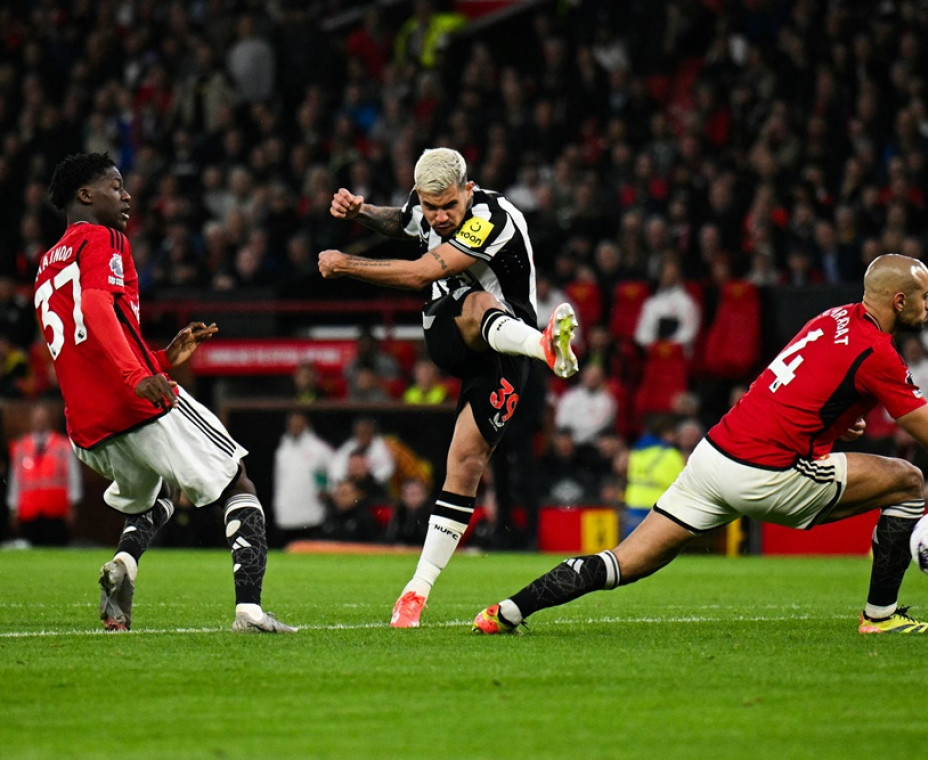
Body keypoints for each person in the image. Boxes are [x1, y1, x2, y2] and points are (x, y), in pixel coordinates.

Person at [473, 254, 928, 636]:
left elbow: (793, 388)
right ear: (899, 300)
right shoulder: (877, 351)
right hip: (766, 473)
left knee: (624, 562)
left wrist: (835, 426)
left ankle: (508, 612)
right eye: (925, 296)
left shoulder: (832, 318)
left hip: (714, 457)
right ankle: (881, 617)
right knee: (908, 481)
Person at [318, 146, 579, 627]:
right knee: (476, 302)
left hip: (505, 350)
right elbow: (404, 221)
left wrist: (346, 263)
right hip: (450, 330)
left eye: (449, 206)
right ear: (420, 194)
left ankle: (414, 594)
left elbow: (421, 271)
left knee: (466, 464)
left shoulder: (491, 219)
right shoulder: (427, 208)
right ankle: (546, 347)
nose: (439, 217)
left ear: (469, 191)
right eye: (431, 206)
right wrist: (362, 212)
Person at [37, 152, 294, 633]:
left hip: (87, 427)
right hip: (135, 404)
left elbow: (85, 344)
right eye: (115, 186)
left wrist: (158, 359)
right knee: (237, 481)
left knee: (162, 492)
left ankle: (124, 565)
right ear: (85, 195)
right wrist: (138, 377)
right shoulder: (103, 237)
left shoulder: (46, 267)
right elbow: (96, 307)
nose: (127, 195)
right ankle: (250, 611)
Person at [6, 403, 82, 546]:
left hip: (56, 509)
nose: (40, 421)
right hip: (29, 510)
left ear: (49, 420)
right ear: (31, 420)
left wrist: (73, 504)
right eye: (37, 418)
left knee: (57, 548)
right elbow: (15, 480)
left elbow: (73, 477)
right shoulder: (21, 447)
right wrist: (13, 508)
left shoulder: (63, 445)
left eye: (43, 418)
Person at [271, 411, 334, 547]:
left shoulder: (319, 449)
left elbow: (334, 472)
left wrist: (328, 489)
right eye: (292, 425)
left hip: (312, 514)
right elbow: (279, 481)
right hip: (287, 514)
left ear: (306, 425)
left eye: (298, 424)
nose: (295, 428)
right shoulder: (282, 450)